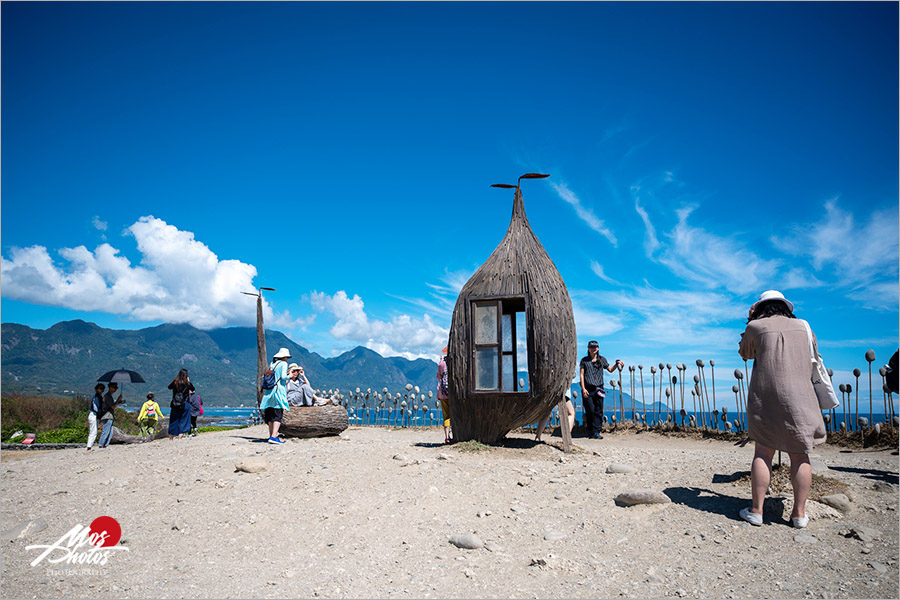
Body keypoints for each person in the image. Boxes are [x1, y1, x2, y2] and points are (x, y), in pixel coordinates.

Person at [738, 290, 826, 529]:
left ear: (759, 308)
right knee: (800, 455)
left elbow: (745, 353)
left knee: (763, 452)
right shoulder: (805, 327)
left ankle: (757, 510)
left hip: (765, 396)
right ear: (786, 307)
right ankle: (799, 515)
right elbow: (814, 354)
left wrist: (750, 321)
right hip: (801, 396)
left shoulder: (756, 326)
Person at [579, 340, 624, 439]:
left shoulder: (602, 359)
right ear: (588, 348)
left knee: (598, 410)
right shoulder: (584, 360)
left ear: (598, 348)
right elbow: (581, 375)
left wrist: (617, 364)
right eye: (591, 347)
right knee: (590, 410)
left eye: (595, 347)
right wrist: (583, 388)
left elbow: (610, 370)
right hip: (588, 388)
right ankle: (590, 430)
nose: (593, 348)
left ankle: (596, 431)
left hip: (599, 388)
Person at [260, 347, 291, 444]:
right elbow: (283, 377)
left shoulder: (272, 364)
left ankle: (270, 436)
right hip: (278, 391)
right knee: (278, 415)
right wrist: (290, 376)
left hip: (269, 392)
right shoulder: (284, 364)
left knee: (270, 415)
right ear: (285, 357)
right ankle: (274, 436)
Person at [167, 369, 195, 440]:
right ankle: (180, 437)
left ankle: (171, 437)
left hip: (175, 404)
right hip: (185, 403)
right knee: (184, 420)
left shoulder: (175, 382)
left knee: (174, 420)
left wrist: (175, 380)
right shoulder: (187, 383)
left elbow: (169, 387)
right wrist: (188, 381)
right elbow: (193, 389)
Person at [98, 382, 123, 448]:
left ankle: (105, 445)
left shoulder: (109, 396)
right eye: (114, 387)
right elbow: (113, 407)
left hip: (109, 416)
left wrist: (118, 402)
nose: (115, 389)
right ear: (109, 387)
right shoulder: (107, 396)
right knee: (106, 431)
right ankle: (101, 444)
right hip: (107, 416)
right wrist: (118, 400)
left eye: (116, 387)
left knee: (110, 432)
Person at [436, 347, 451, 444]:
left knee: (446, 416)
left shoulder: (441, 364)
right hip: (452, 393)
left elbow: (438, 376)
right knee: (454, 415)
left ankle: (447, 437)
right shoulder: (454, 362)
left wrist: (441, 361)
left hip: (442, 393)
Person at [86, 383, 104, 451]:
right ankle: (89, 446)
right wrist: (100, 413)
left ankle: (89, 445)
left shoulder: (98, 397)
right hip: (94, 415)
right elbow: (95, 407)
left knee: (93, 430)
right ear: (96, 389)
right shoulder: (96, 397)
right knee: (93, 431)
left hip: (94, 415)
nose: (102, 390)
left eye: (102, 388)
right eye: (100, 388)